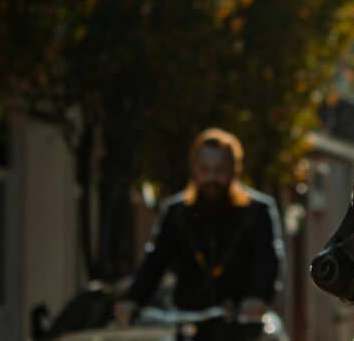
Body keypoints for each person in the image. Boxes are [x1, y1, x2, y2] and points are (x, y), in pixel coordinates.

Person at [114, 128, 285, 335]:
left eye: (220, 170)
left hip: (242, 325)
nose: (212, 177)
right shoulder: (176, 213)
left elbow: (268, 261)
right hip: (189, 324)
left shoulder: (258, 211)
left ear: (234, 170)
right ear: (194, 170)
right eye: (205, 169)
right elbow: (155, 261)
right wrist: (133, 299)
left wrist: (257, 298)